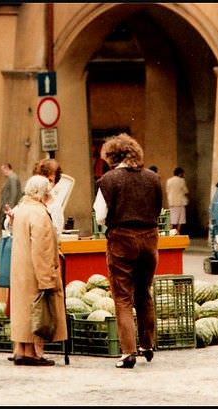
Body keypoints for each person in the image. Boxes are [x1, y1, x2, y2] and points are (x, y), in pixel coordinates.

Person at [93, 133, 162, 369]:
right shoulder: (153, 178)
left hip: (121, 239)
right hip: (150, 238)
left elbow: (101, 216)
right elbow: (158, 208)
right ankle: (148, 344)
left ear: (112, 155)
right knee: (144, 292)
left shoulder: (108, 180)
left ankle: (128, 352)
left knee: (123, 296)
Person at [9, 175, 67, 366]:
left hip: (20, 270)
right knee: (37, 311)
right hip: (35, 271)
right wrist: (47, 279)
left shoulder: (22, 210)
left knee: (25, 310)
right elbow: (42, 249)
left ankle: (21, 350)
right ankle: (33, 353)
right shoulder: (39, 213)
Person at [0, 163, 22, 230]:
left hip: (10, 208)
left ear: (7, 169)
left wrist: (10, 209)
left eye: (3, 170)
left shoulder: (12, 178)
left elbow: (14, 194)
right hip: (8, 208)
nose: (3, 173)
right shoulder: (11, 178)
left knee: (6, 228)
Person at [166, 166, 189, 234]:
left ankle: (173, 233)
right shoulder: (181, 180)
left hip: (171, 203)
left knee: (173, 220)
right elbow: (186, 191)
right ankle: (179, 233)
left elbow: (167, 190)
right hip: (180, 203)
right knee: (180, 220)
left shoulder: (169, 180)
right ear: (180, 173)